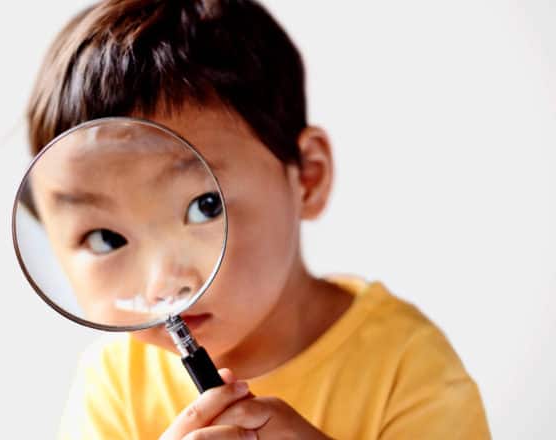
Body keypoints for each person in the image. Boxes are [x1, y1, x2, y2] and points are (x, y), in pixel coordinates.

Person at [25, 0, 490, 438]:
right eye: (106, 238)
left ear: (307, 178)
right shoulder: (113, 382)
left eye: (205, 207)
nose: (164, 283)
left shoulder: (404, 367)